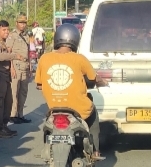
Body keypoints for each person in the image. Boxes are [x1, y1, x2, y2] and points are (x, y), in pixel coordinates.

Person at [35, 24, 107, 160]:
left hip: (54, 108)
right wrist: (103, 82)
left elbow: (39, 84)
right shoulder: (79, 58)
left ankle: (47, 150)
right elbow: (94, 78)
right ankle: (95, 151)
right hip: (78, 109)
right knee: (93, 114)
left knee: (48, 126)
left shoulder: (44, 58)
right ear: (75, 40)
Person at [0, 21, 17, 138]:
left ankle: (4, 125)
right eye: (4, 30)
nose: (6, 32)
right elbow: (0, 56)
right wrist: (14, 55)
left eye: (7, 29)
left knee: (8, 102)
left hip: (5, 75)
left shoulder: (3, 42)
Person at [9, 15, 33, 124]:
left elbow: (28, 51)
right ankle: (13, 115)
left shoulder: (26, 36)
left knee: (23, 91)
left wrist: (30, 65)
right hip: (16, 65)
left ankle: (20, 114)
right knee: (14, 92)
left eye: (24, 23)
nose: (23, 25)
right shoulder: (12, 36)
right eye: (21, 23)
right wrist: (11, 67)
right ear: (16, 23)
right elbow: (9, 52)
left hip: (25, 66)